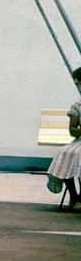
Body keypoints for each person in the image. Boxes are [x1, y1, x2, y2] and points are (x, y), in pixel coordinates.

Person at [47, 66, 81, 208]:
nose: (78, 86)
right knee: (65, 153)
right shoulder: (77, 106)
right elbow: (72, 131)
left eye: (79, 83)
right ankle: (74, 196)